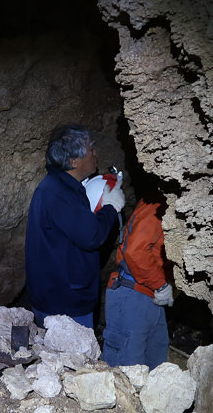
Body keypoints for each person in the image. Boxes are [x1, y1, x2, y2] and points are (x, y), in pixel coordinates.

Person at [25, 125, 125, 329]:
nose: (95, 153)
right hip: (65, 305)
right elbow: (92, 236)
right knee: (72, 360)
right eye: (91, 149)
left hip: (56, 296)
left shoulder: (58, 186)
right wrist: (111, 207)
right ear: (73, 161)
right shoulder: (60, 194)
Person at [102, 193, 174, 370]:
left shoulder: (171, 208)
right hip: (132, 295)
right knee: (125, 372)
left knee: (157, 368)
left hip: (153, 297)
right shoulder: (157, 205)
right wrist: (160, 284)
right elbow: (134, 251)